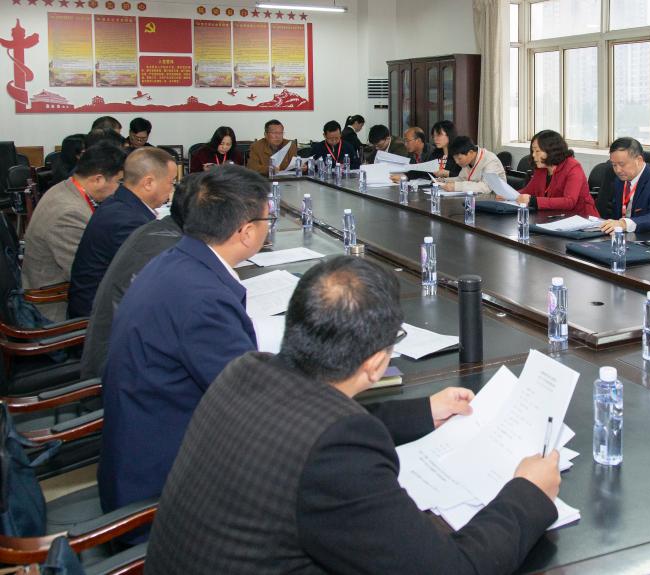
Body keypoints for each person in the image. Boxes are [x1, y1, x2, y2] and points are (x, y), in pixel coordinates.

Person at [145, 256, 560, 573]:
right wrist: (528, 493)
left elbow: (309, 425)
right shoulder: (336, 452)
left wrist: (425, 411)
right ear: (376, 364)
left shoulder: (245, 370)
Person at [98, 165, 270, 533]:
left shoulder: (179, 260)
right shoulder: (202, 298)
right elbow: (256, 404)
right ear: (245, 232)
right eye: (267, 219)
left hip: (147, 452)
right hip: (167, 495)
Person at [79, 172, 200, 380]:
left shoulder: (153, 228)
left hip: (115, 351)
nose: (171, 188)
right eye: (170, 181)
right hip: (124, 375)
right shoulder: (169, 253)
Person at [22, 142, 126, 322]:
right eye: (118, 181)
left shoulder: (67, 187)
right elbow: (87, 274)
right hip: (53, 309)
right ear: (98, 179)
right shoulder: (68, 214)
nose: (120, 188)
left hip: (62, 289)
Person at [67, 146, 175, 319]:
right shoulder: (128, 221)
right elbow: (154, 278)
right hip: (101, 318)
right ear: (148, 183)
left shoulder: (119, 203)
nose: (172, 189)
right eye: (171, 182)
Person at [596, 137, 650, 234]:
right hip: (619, 235)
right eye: (614, 165)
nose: (618, 170)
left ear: (639, 160)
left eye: (622, 164)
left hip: (647, 237)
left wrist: (624, 224)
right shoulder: (614, 177)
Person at [515, 130, 599, 217]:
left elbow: (569, 202)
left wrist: (534, 201)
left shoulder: (573, 167)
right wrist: (510, 195)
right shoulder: (542, 168)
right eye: (532, 151)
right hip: (555, 216)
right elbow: (527, 191)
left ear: (551, 151)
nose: (533, 155)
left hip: (583, 218)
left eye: (537, 151)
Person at [439, 135, 506, 194]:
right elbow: (462, 179)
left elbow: (486, 187)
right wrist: (444, 181)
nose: (457, 162)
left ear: (470, 152)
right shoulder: (468, 161)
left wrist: (456, 187)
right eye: (455, 159)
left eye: (459, 158)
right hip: (476, 197)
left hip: (495, 198)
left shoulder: (490, 160)